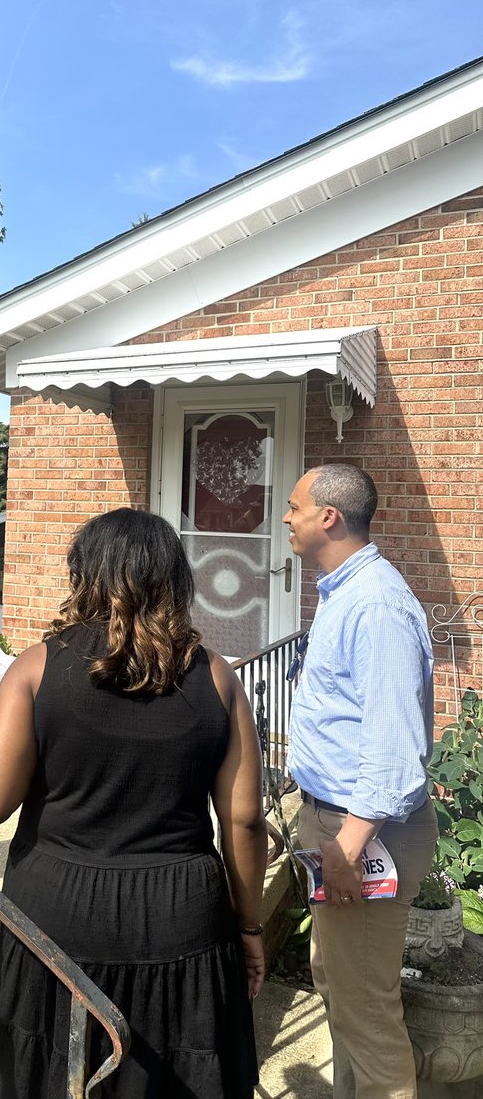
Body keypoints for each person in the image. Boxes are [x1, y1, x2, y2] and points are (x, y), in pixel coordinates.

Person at [0, 508, 268, 1098]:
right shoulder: (218, 678)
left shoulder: (36, 667)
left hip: (53, 918)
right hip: (181, 918)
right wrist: (249, 925)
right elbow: (245, 819)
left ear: (86, 575)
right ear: (175, 580)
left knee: (47, 1072)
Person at [285, 464, 437, 1099]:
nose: (285, 517)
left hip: (363, 833)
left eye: (294, 506)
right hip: (341, 824)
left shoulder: (374, 606)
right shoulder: (344, 593)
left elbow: (394, 754)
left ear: (329, 518)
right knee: (340, 988)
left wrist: (346, 849)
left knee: (367, 1012)